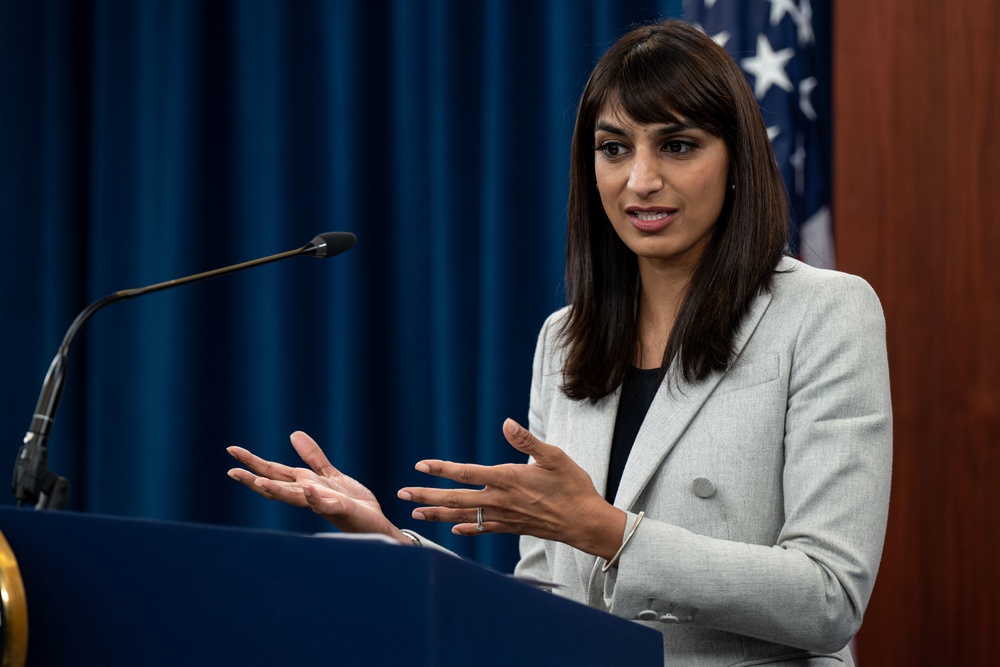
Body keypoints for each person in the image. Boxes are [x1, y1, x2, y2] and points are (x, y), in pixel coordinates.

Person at [226, 19, 891, 666]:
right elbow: (546, 607)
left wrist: (610, 532)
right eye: (614, 148)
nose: (640, 180)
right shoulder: (566, 338)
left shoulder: (825, 313)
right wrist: (391, 540)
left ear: (737, 159)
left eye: (678, 145)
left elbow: (828, 595)